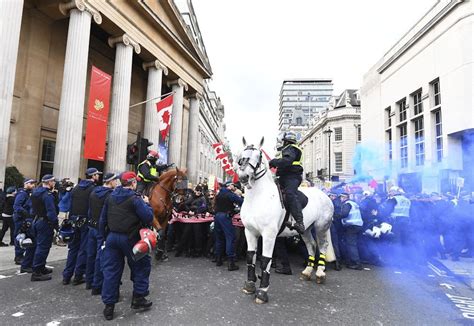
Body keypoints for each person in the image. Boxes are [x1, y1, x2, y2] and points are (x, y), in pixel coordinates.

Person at [99, 171, 154, 321]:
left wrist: (105, 238)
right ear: (133, 183)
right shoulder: (135, 199)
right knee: (141, 266)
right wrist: (147, 204)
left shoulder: (110, 197)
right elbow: (148, 218)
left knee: (111, 271)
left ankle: (109, 306)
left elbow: (102, 221)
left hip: (112, 238)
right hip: (130, 239)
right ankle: (138, 298)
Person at [63, 168, 101, 286]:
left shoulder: (75, 189)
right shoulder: (93, 190)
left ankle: (67, 276)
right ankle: (78, 275)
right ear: (93, 176)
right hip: (85, 221)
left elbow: (69, 204)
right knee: (83, 249)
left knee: (73, 248)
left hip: (74, 220)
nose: (98, 177)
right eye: (97, 175)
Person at [86, 172, 119, 294]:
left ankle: (89, 281)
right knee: (101, 256)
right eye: (115, 180)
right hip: (102, 229)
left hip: (92, 226)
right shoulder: (111, 195)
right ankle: (97, 285)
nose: (116, 182)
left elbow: (89, 210)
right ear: (110, 182)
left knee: (91, 255)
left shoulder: (94, 192)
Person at [269, 131, 305, 234]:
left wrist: (273, 162)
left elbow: (287, 161)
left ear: (286, 141)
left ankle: (299, 222)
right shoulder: (285, 150)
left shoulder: (292, 148)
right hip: (283, 176)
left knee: (290, 194)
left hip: (292, 177)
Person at [30, 174, 58, 281]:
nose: (54, 183)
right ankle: (37, 272)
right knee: (43, 247)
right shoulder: (47, 195)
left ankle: (41, 267)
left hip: (37, 220)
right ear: (49, 182)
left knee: (41, 246)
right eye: (53, 181)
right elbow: (51, 212)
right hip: (45, 222)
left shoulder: (36, 192)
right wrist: (56, 225)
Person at [214, 182, 243, 271]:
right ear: (228, 186)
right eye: (232, 185)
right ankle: (231, 262)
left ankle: (218, 259)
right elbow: (242, 202)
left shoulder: (219, 193)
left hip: (217, 216)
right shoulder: (229, 194)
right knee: (230, 238)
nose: (233, 187)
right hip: (225, 217)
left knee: (219, 238)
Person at [175, 185, 208, 257]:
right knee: (185, 234)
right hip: (190, 218)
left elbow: (204, 207)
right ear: (195, 190)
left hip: (197, 219)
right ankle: (181, 250)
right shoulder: (192, 197)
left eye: (200, 191)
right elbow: (185, 204)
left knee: (197, 235)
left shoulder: (203, 198)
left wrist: (195, 211)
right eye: (197, 190)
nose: (198, 192)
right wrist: (189, 210)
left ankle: (197, 251)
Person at [13, 178, 36, 266]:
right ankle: (18, 256)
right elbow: (17, 206)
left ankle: (22, 256)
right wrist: (26, 214)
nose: (33, 185)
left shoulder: (28, 194)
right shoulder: (22, 194)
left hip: (26, 218)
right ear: (26, 184)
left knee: (26, 237)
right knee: (20, 237)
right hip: (21, 219)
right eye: (31, 183)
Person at [338, 192, 364, 270]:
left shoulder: (347, 204)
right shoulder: (354, 203)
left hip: (352, 226)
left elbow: (344, 214)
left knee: (351, 245)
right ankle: (354, 261)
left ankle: (356, 263)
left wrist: (335, 215)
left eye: (341, 197)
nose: (340, 199)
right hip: (358, 225)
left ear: (345, 197)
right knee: (354, 244)